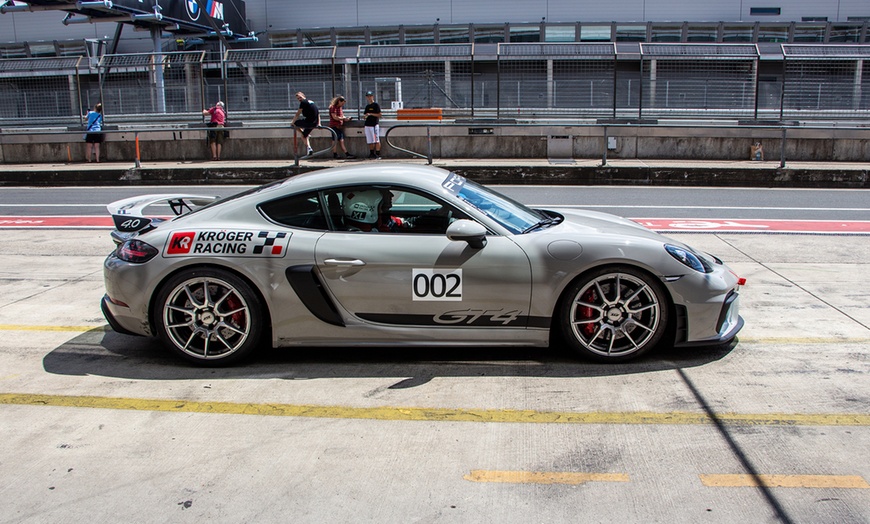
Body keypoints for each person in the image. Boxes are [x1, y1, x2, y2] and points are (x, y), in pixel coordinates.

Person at [342, 189, 412, 232]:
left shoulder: (383, 220)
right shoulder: (362, 236)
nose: (391, 195)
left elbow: (402, 222)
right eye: (385, 192)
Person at [292, 91, 320, 156]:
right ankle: (309, 149)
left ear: (304, 96)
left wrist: (292, 122)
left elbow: (297, 114)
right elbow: (318, 114)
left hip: (309, 122)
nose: (299, 99)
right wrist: (319, 123)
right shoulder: (311, 102)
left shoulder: (303, 102)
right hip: (314, 122)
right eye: (298, 98)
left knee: (295, 124)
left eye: (300, 97)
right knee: (304, 136)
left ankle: (308, 147)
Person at [363, 91, 382, 159]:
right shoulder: (367, 106)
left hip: (374, 125)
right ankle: (371, 153)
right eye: (368, 96)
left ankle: (378, 153)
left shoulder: (376, 105)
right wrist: (365, 116)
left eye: (370, 96)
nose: (369, 97)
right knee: (370, 140)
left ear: (372, 96)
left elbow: (379, 115)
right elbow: (365, 115)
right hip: (368, 125)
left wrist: (371, 114)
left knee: (376, 140)